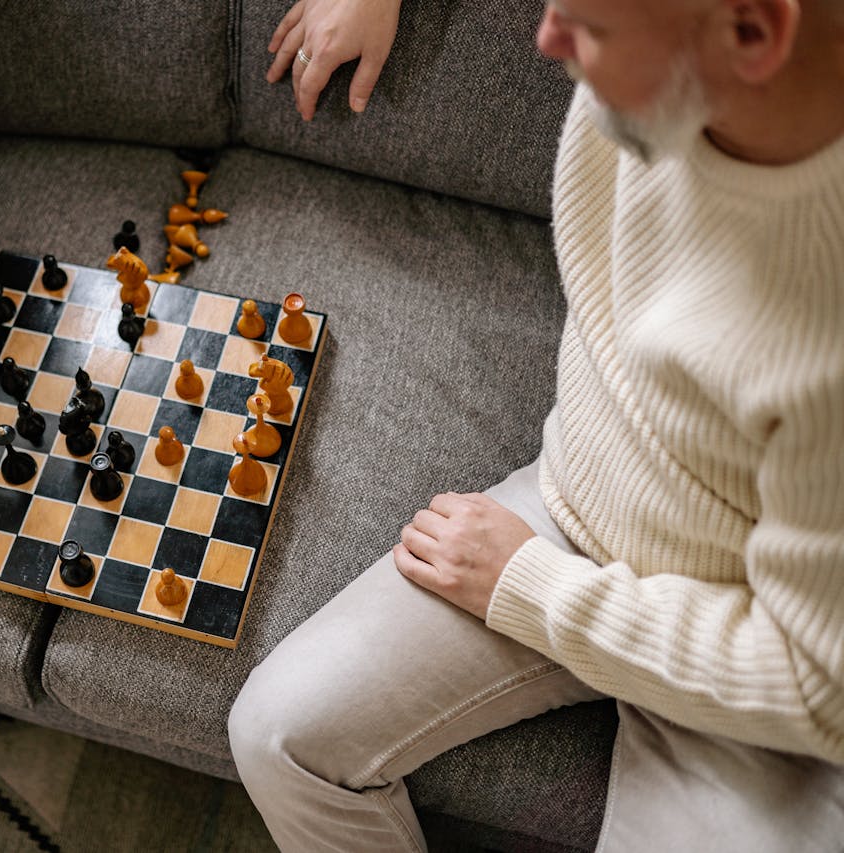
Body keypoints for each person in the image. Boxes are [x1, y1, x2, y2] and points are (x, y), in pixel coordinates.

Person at [230, 0, 844, 850]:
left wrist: (529, 587)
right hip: (571, 511)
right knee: (276, 731)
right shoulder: (661, 57)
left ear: (752, 32)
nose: (546, 42)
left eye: (585, 25)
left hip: (746, 662)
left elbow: (820, 688)